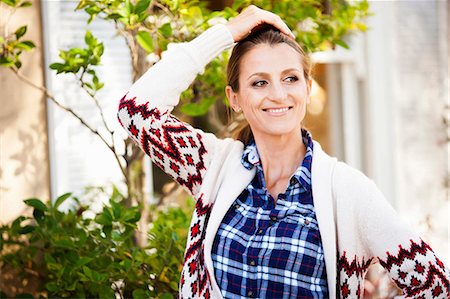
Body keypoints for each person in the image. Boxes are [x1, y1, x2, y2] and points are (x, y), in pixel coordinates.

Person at [118, 5, 450, 299]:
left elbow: (434, 287)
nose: (278, 94)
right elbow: (135, 111)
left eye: (290, 78)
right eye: (259, 82)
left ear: (307, 87)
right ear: (234, 98)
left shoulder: (347, 192)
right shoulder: (213, 167)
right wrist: (225, 33)